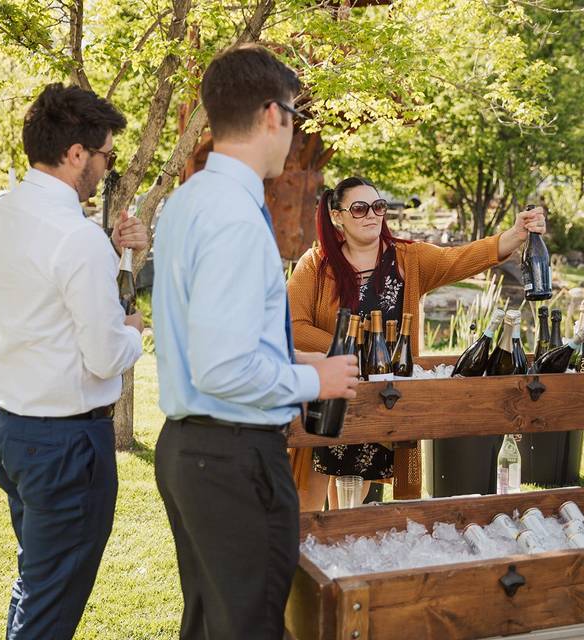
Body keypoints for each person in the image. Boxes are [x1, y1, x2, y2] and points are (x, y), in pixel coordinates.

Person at [151, 45, 359, 639]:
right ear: (273, 114)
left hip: (193, 451)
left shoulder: (189, 201)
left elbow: (209, 332)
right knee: (249, 626)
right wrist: (312, 380)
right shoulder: (236, 218)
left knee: (211, 623)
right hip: (233, 457)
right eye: (295, 116)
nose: (296, 132)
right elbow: (222, 367)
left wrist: (291, 357)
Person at [0, 83, 148, 639]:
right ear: (76, 154)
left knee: (37, 583)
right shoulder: (78, 241)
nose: (106, 166)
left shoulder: (2, 213)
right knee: (49, 611)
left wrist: (122, 255)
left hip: (12, 432)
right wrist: (134, 331)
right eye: (105, 154)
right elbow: (104, 356)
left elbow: (49, 289)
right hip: (67, 449)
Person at [288, 176, 546, 511]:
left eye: (378, 207)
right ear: (337, 216)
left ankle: (345, 559)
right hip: (328, 391)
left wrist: (516, 234)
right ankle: (298, 560)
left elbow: (460, 258)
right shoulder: (315, 265)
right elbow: (293, 326)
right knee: (306, 500)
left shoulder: (408, 259)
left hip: (379, 395)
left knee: (351, 500)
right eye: (360, 208)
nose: (371, 215)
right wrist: (352, 347)